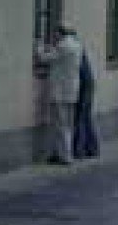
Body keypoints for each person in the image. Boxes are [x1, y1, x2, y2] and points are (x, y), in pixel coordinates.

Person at [35, 24, 82, 165]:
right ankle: (60, 153)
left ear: (60, 34)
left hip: (60, 92)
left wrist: (38, 46)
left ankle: (65, 157)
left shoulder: (63, 46)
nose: (54, 37)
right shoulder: (77, 45)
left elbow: (44, 58)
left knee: (60, 125)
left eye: (55, 34)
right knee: (67, 124)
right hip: (72, 91)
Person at [73, 46, 100, 159]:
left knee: (81, 118)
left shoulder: (75, 51)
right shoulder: (79, 49)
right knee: (87, 119)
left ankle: (80, 150)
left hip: (84, 88)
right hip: (88, 86)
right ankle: (92, 149)